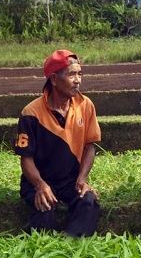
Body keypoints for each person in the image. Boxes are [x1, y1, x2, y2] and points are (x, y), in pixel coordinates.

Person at [15, 50, 101, 236]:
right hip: (39, 180)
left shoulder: (86, 106)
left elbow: (89, 147)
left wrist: (82, 180)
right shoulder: (31, 113)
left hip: (70, 180)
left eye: (80, 74)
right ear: (54, 79)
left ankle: (72, 245)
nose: (77, 80)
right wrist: (40, 185)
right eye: (71, 74)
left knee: (88, 202)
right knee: (45, 211)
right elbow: (26, 159)